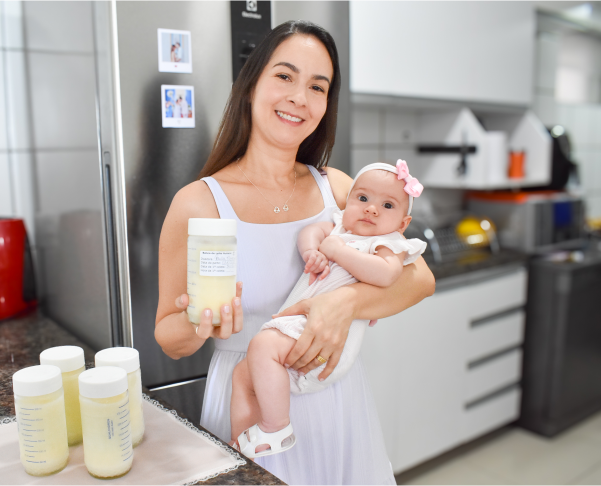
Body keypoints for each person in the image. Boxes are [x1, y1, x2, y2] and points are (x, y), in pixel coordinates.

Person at [155, 20, 435, 486]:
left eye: (317, 87)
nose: (299, 99)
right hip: (247, 402)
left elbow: (420, 279)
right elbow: (169, 336)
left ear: (326, 105)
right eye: (284, 76)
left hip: (336, 401)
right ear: (251, 85)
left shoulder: (342, 190)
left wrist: (341, 304)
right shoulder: (199, 202)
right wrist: (197, 321)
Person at [230, 160, 426, 459]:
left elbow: (387, 274)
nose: (372, 209)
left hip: (327, 340)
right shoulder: (338, 227)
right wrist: (312, 251)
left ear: (403, 223)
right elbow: (310, 231)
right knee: (244, 375)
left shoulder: (388, 243)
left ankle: (276, 427)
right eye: (362, 199)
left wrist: (337, 251)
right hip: (304, 325)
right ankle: (242, 446)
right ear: (347, 202)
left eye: (387, 205)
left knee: (263, 346)